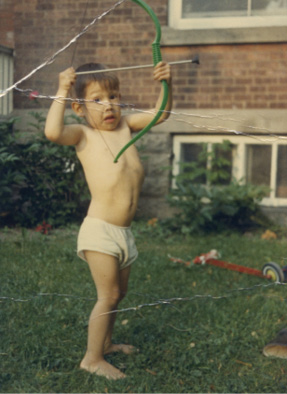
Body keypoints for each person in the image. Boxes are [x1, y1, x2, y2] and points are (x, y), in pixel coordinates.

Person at [45, 61, 172, 380]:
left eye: (113, 96)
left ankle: (106, 343)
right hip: (99, 230)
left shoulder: (126, 126)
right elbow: (52, 131)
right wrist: (62, 90)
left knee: (120, 293)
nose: (109, 105)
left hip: (124, 233)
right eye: (97, 100)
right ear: (79, 108)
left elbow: (161, 113)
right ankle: (91, 358)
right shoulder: (82, 135)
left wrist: (167, 85)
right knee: (109, 295)